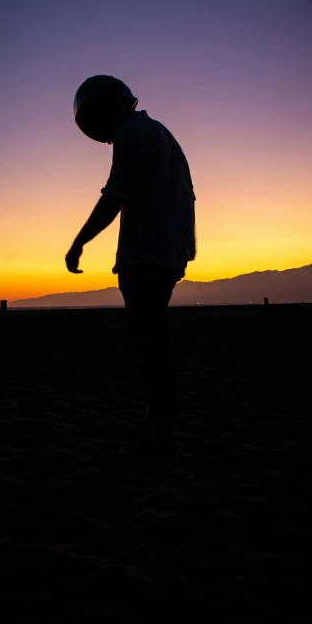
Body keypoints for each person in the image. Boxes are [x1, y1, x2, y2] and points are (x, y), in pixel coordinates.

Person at [65, 75, 196, 457]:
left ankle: (159, 434)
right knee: (153, 342)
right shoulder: (159, 133)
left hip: (147, 255)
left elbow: (114, 197)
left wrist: (79, 242)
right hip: (168, 251)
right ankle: (155, 425)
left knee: (150, 344)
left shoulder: (132, 134)